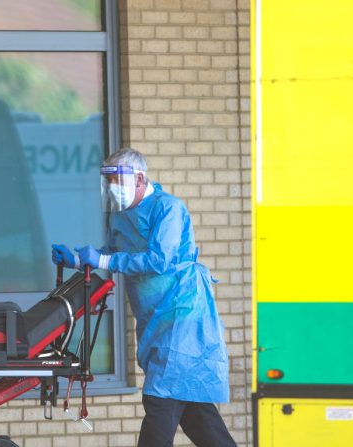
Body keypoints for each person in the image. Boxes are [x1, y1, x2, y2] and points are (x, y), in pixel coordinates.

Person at [51, 148, 236, 447]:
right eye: (107, 181)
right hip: (155, 316)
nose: (112, 187)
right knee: (194, 412)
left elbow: (159, 260)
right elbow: (113, 252)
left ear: (140, 179)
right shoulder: (120, 216)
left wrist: (103, 262)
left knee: (160, 398)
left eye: (117, 180)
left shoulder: (168, 209)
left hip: (182, 314)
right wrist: (76, 259)